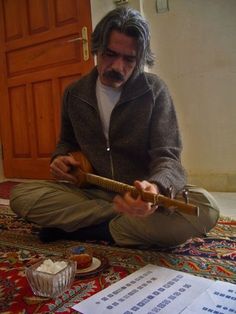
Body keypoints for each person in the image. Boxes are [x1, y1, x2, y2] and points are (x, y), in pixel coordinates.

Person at [10, 7, 219, 248]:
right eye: (110, 54)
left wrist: (155, 188)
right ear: (97, 49)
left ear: (140, 59)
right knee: (21, 196)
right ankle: (119, 225)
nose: (117, 66)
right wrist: (60, 159)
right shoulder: (74, 94)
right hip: (93, 193)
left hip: (141, 199)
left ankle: (83, 228)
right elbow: (66, 143)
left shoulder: (154, 91)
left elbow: (169, 157)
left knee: (206, 208)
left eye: (129, 59)